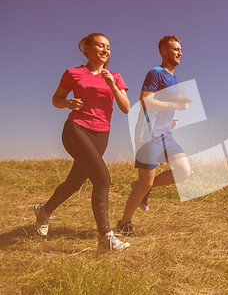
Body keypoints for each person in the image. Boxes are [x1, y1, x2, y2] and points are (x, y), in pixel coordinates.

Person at [34, 33, 131, 253]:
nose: (105, 50)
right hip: (76, 129)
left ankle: (44, 211)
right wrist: (67, 103)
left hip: (102, 133)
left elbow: (125, 107)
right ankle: (106, 238)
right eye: (100, 46)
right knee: (103, 178)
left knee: (74, 182)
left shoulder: (114, 76)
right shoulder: (73, 73)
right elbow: (55, 99)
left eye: (108, 47)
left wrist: (113, 86)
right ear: (86, 48)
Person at [114, 35, 191, 236]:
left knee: (183, 171)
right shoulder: (155, 73)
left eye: (180, 49)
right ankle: (123, 224)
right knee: (145, 183)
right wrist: (175, 105)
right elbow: (145, 101)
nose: (180, 52)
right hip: (148, 135)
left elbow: (161, 106)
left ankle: (141, 188)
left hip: (165, 134)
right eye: (175, 49)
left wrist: (169, 120)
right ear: (163, 51)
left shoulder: (173, 77)